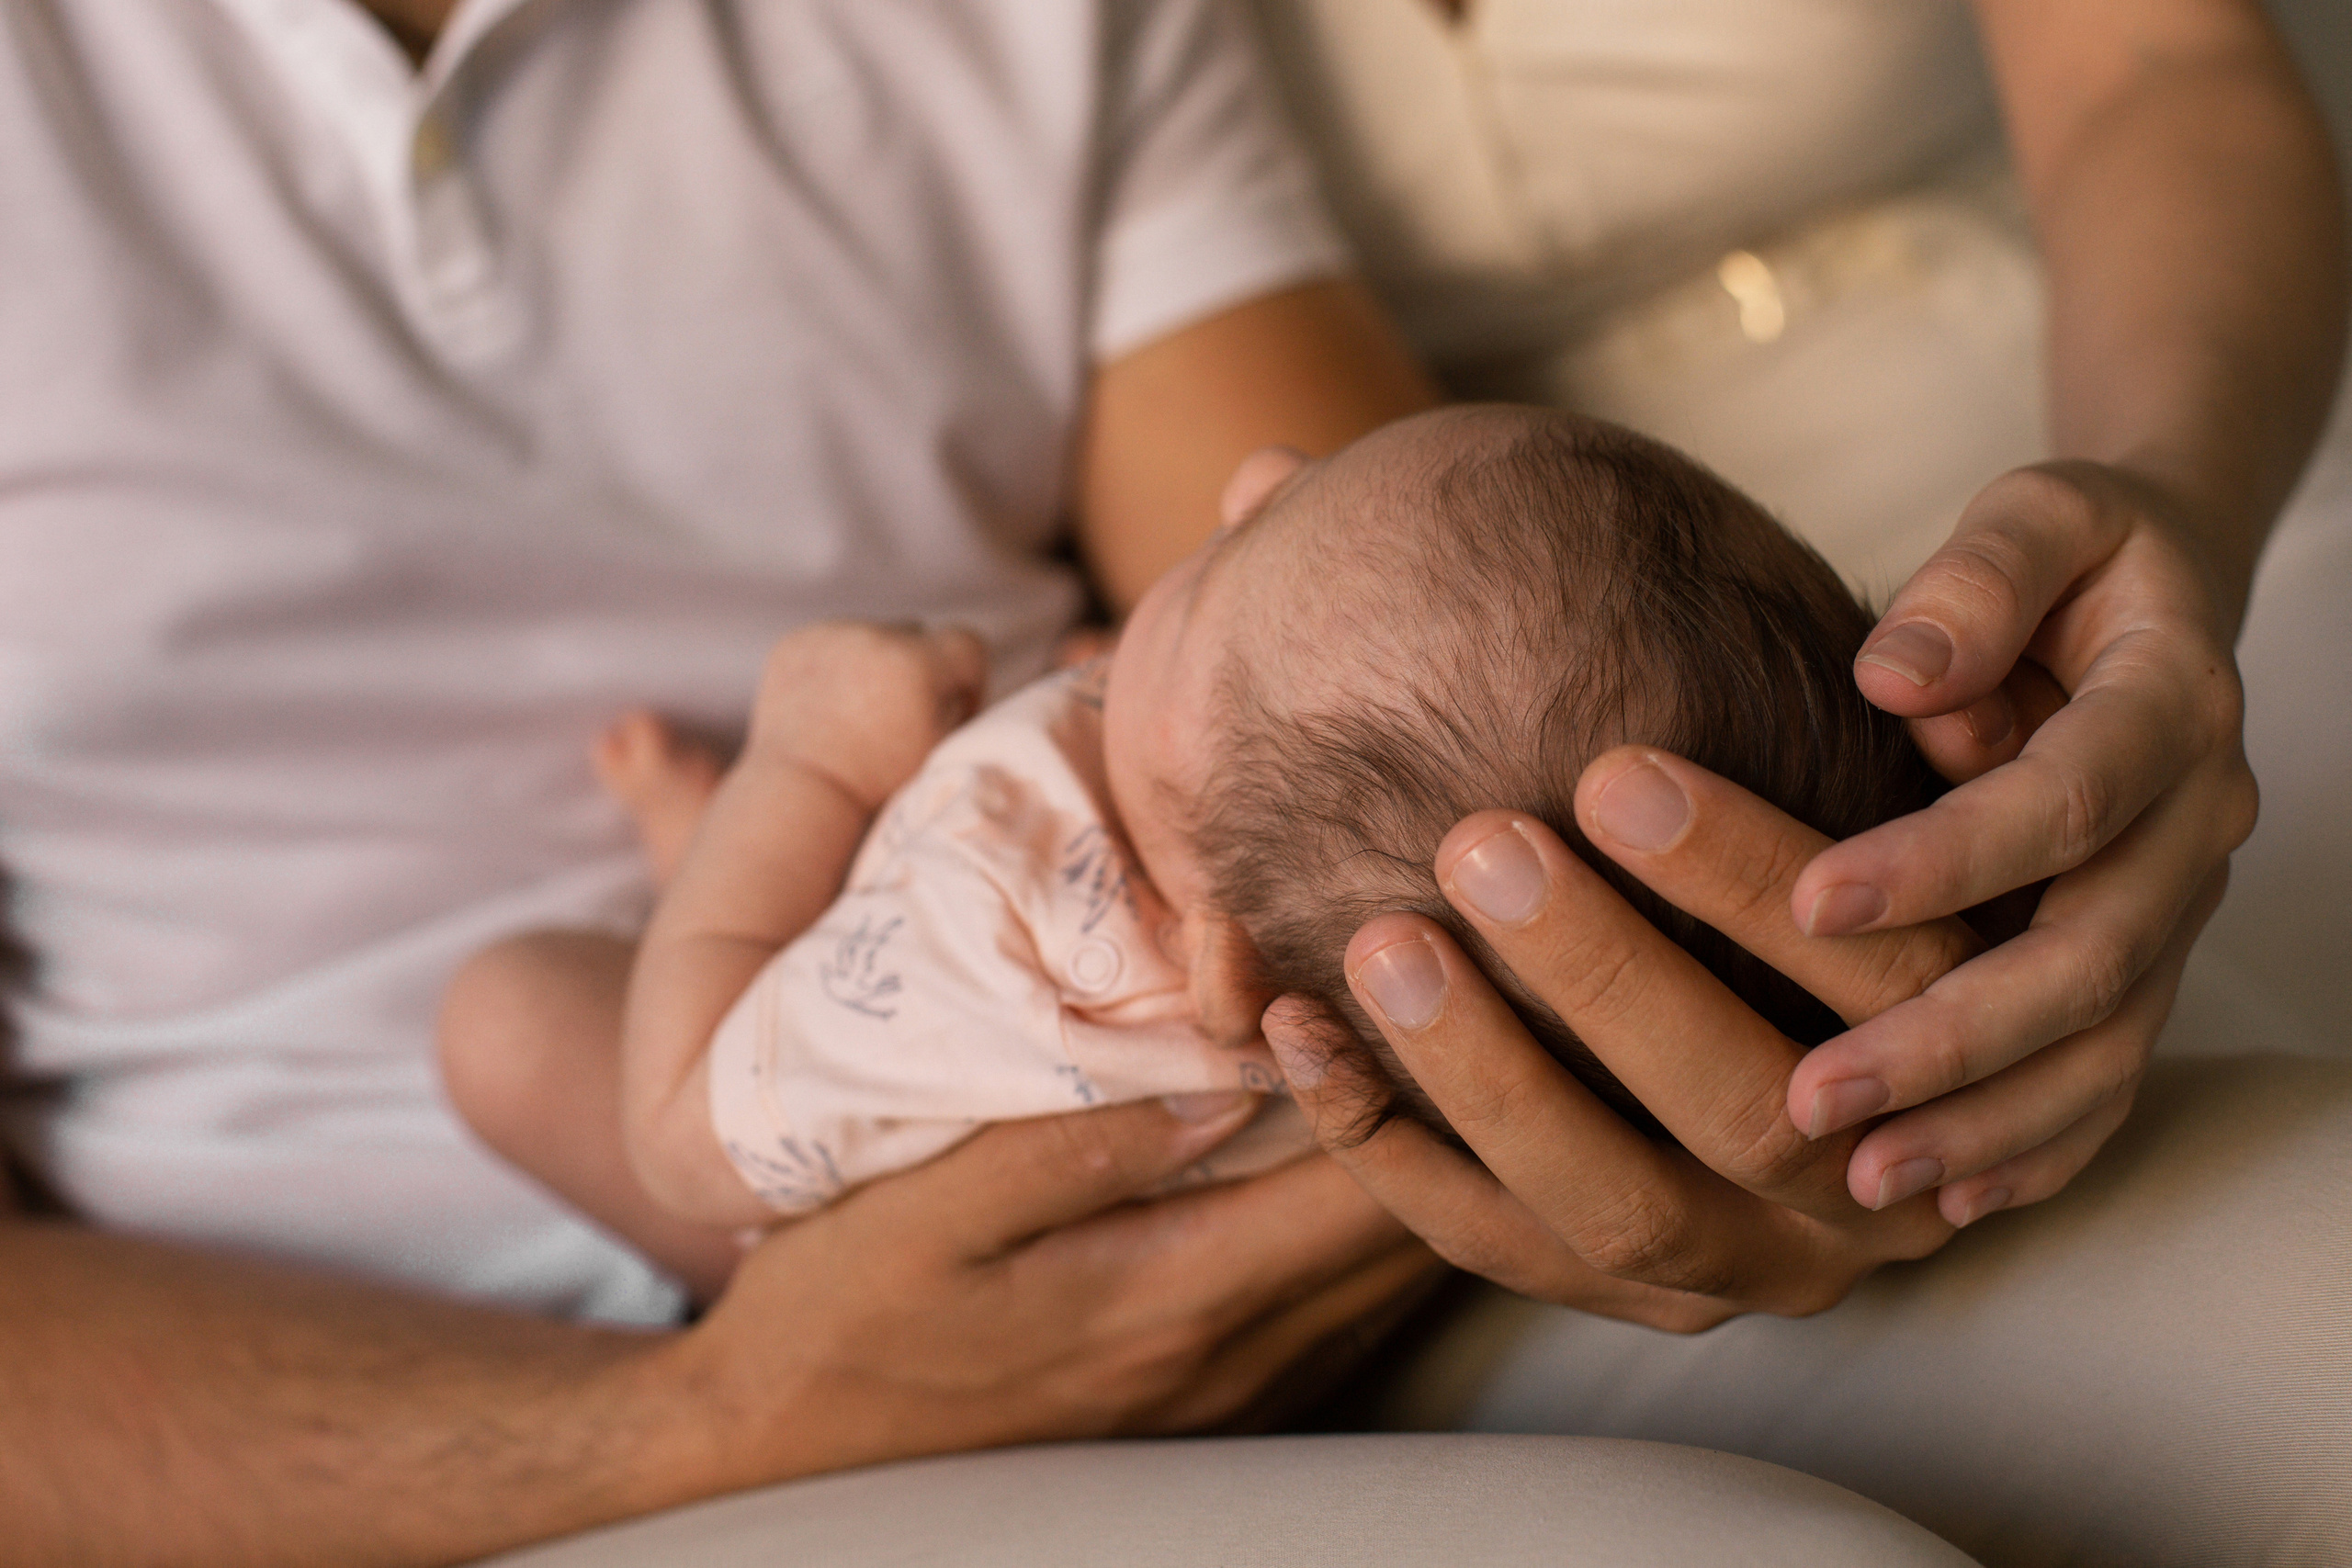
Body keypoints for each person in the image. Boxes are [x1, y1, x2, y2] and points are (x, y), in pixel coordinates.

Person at [437, 407, 1946, 1294]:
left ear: (1204, 957)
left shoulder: (1002, 935)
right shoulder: (1333, 968)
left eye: (1232, 557)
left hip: (822, 1195)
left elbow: (685, 1131)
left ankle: (721, 862)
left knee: (506, 1019)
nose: (1247, 476)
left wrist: (809, 765)